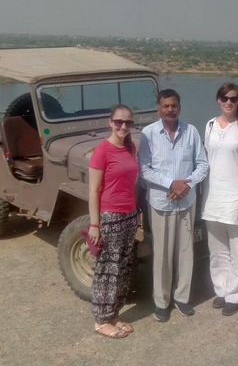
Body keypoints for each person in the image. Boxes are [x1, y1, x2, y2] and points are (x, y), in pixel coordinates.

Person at [137, 89, 209, 322]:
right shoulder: (148, 134)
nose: (170, 110)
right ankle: (161, 301)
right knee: (162, 255)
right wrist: (171, 183)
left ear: (179, 107)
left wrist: (186, 184)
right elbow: (145, 169)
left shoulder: (191, 132)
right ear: (158, 108)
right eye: (166, 106)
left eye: (174, 105)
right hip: (160, 203)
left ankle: (182, 298)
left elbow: (202, 164)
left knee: (186, 253)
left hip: (186, 201)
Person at [202, 82, 238, 316]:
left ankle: (236, 296)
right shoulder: (210, 126)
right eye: (225, 98)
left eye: (233, 99)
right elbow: (207, 159)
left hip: (236, 197)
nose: (229, 102)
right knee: (217, 250)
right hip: (213, 197)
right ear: (218, 99)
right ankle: (222, 290)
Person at [87, 105, 140, 339]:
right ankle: (100, 320)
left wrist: (136, 213)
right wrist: (95, 224)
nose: (123, 126)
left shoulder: (130, 148)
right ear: (110, 122)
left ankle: (114, 313)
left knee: (123, 268)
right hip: (109, 217)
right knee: (107, 270)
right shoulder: (103, 151)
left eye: (128, 123)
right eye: (119, 122)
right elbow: (93, 190)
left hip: (128, 215)